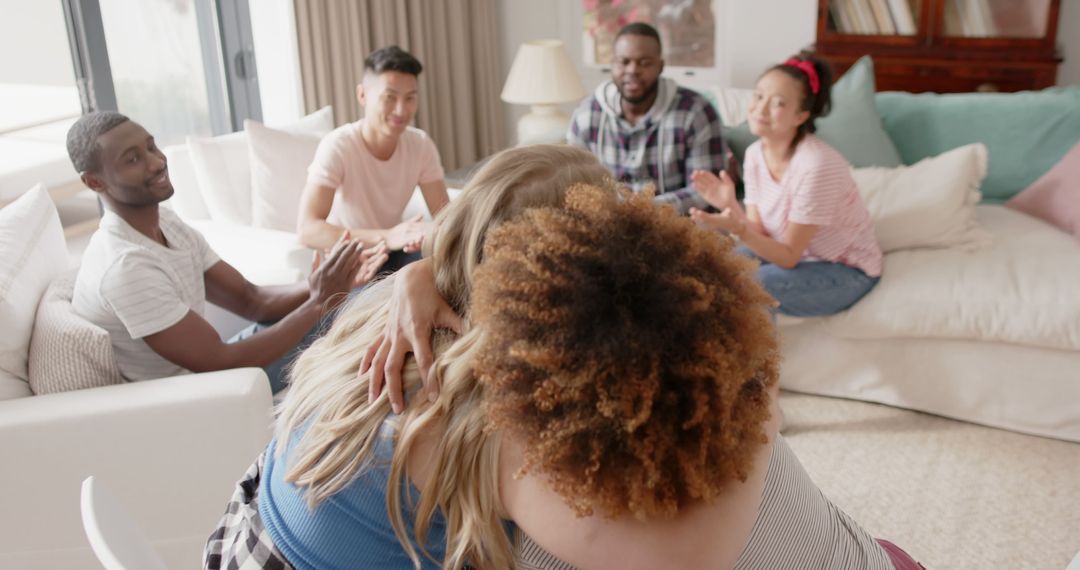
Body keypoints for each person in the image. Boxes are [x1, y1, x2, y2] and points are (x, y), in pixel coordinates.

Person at [207, 147, 923, 570]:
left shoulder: (393, 310)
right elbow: (689, 558)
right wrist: (751, 384)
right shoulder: (493, 412)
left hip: (234, 536)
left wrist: (416, 273)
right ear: (563, 271)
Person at [68, 111, 386, 394]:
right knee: (366, 320)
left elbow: (252, 299)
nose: (156, 162)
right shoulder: (125, 266)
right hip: (197, 395)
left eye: (151, 146)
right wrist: (320, 301)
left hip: (217, 369)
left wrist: (324, 285)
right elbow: (219, 362)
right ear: (94, 181)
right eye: (132, 159)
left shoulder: (165, 220)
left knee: (368, 305)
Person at [688, 53, 883, 317]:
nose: (761, 108)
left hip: (844, 270)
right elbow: (761, 232)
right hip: (796, 255)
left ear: (801, 116)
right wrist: (731, 206)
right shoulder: (757, 154)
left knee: (746, 284)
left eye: (777, 103)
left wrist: (738, 228)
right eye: (758, 96)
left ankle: (759, 358)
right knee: (711, 264)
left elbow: (788, 256)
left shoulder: (817, 166)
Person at [297, 45, 449, 273]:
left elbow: (445, 218)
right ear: (362, 95)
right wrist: (388, 236)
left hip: (396, 255)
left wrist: (422, 235)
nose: (401, 110)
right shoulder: (339, 145)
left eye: (410, 98)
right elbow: (307, 229)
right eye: (390, 97)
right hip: (353, 262)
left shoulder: (420, 145)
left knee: (445, 269)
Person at [567, 22, 726, 215]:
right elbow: (573, 185)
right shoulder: (586, 115)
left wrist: (645, 208)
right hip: (607, 223)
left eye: (644, 63)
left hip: (675, 226)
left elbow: (707, 191)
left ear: (660, 66)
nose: (632, 70)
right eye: (624, 62)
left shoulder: (696, 113)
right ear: (612, 64)